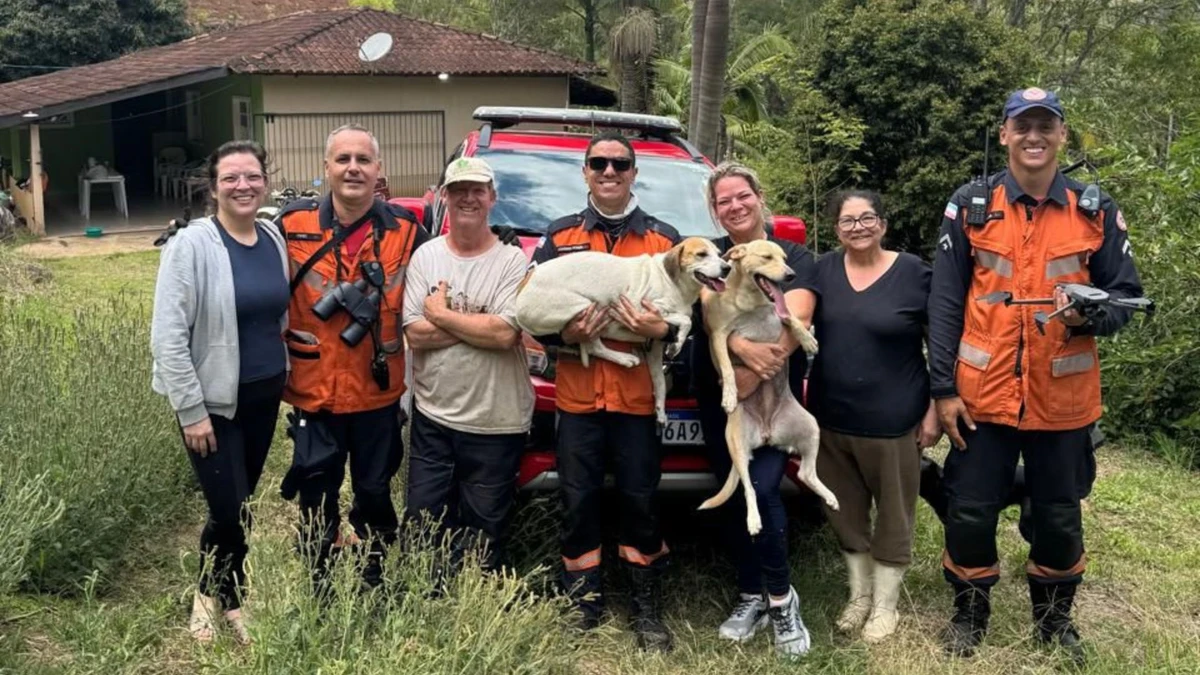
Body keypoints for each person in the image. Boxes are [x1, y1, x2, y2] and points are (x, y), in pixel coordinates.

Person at [928, 87, 1143, 664]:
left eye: (1046, 126)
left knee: (1057, 515)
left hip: (1063, 398)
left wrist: (1096, 312)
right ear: (1004, 134)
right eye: (1023, 126)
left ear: (1061, 135)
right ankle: (969, 614)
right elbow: (946, 302)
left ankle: (1054, 621)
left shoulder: (1095, 209)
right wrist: (942, 390)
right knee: (968, 512)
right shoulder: (970, 204)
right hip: (981, 395)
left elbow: (1127, 297)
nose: (1034, 136)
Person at [530, 130, 680, 652]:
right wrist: (562, 336)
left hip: (638, 400)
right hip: (576, 398)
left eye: (620, 163)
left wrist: (663, 331)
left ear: (635, 173)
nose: (609, 172)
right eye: (599, 163)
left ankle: (647, 608)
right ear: (586, 172)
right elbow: (534, 315)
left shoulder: (666, 242)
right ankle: (583, 602)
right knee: (577, 501)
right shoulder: (560, 235)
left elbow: (688, 326)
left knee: (641, 502)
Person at [276, 123, 428, 594]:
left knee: (375, 492)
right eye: (342, 159)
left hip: (377, 394)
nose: (353, 168)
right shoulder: (290, 226)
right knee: (316, 494)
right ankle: (319, 584)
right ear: (326, 169)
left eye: (363, 160)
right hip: (314, 392)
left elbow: (441, 277)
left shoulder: (407, 231)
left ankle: (375, 576)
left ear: (379, 170)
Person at [151, 140, 289, 644]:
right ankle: (215, 597)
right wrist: (190, 410)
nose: (243, 186)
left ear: (265, 183)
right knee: (226, 508)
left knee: (244, 503)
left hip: (264, 393)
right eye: (230, 177)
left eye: (251, 176)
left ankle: (226, 597)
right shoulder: (192, 245)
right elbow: (167, 334)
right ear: (214, 188)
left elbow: (277, 310)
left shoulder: (272, 238)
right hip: (211, 403)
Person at [690, 161, 819, 657]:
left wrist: (752, 366)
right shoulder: (717, 259)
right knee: (734, 488)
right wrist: (738, 350)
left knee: (763, 489)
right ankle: (751, 594)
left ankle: (783, 599)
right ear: (715, 211)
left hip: (771, 396)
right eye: (724, 201)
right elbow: (707, 312)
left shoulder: (793, 257)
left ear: (759, 196)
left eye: (742, 195)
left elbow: (798, 317)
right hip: (719, 397)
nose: (735, 206)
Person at [807, 190, 941, 644]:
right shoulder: (821, 270)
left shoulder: (915, 274)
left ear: (883, 224)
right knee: (842, 511)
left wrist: (934, 409)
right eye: (847, 221)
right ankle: (859, 597)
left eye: (867, 218)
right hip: (831, 420)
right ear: (836, 229)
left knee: (894, 517)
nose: (858, 227)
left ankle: (885, 606)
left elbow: (939, 346)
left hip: (895, 422)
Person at [402, 156, 534, 575]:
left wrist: (440, 314)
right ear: (444, 197)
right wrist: (480, 323)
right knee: (422, 520)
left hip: (495, 421)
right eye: (458, 190)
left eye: (478, 190)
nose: (468, 198)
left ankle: (471, 603)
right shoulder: (426, 256)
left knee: (483, 526)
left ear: (493, 198)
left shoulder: (513, 260)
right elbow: (414, 333)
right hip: (433, 416)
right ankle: (425, 598)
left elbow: (505, 336)